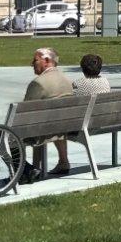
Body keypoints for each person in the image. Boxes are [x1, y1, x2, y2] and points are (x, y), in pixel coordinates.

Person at [22, 45, 75, 179]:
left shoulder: (38, 83)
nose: (32, 64)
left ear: (46, 61)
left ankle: (24, 170)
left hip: (42, 129)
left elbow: (24, 112)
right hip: (63, 127)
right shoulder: (67, 81)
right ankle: (63, 161)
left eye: (35, 61)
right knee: (56, 122)